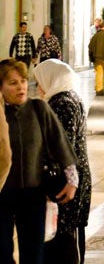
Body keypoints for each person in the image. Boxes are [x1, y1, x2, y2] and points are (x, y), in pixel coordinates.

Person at [0, 59, 78, 263]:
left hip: (33, 193)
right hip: (2, 193)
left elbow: (60, 143)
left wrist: (72, 180)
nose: (21, 87)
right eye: (13, 83)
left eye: (23, 81)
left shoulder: (38, 108)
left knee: (33, 255)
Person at [33, 59, 92, 264]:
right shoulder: (70, 97)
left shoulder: (61, 103)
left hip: (66, 181)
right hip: (73, 177)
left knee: (64, 237)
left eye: (40, 82)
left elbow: (62, 147)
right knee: (67, 234)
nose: (38, 88)